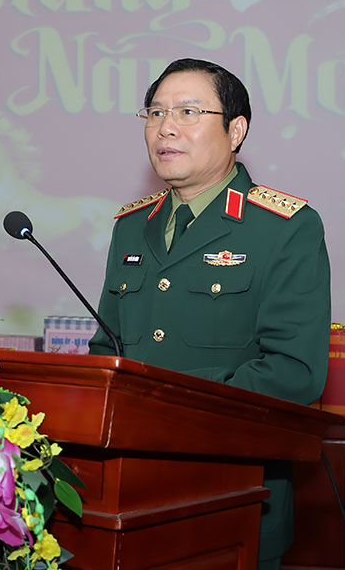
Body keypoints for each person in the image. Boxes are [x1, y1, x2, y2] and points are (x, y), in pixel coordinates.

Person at [88, 58, 331, 570]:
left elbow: (293, 372)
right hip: (126, 497)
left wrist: (164, 410)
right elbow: (107, 350)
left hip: (232, 497)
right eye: (155, 113)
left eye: (188, 111)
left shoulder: (284, 227)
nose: (165, 128)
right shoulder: (131, 227)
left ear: (235, 130)